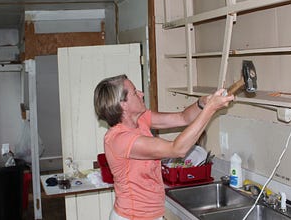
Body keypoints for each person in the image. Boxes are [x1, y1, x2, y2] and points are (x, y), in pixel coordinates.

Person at [94, 74, 234, 220]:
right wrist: (211, 109)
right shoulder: (120, 139)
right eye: (135, 92)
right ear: (123, 104)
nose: (141, 94)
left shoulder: (141, 119)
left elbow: (183, 117)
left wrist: (203, 103)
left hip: (152, 214)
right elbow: (177, 149)